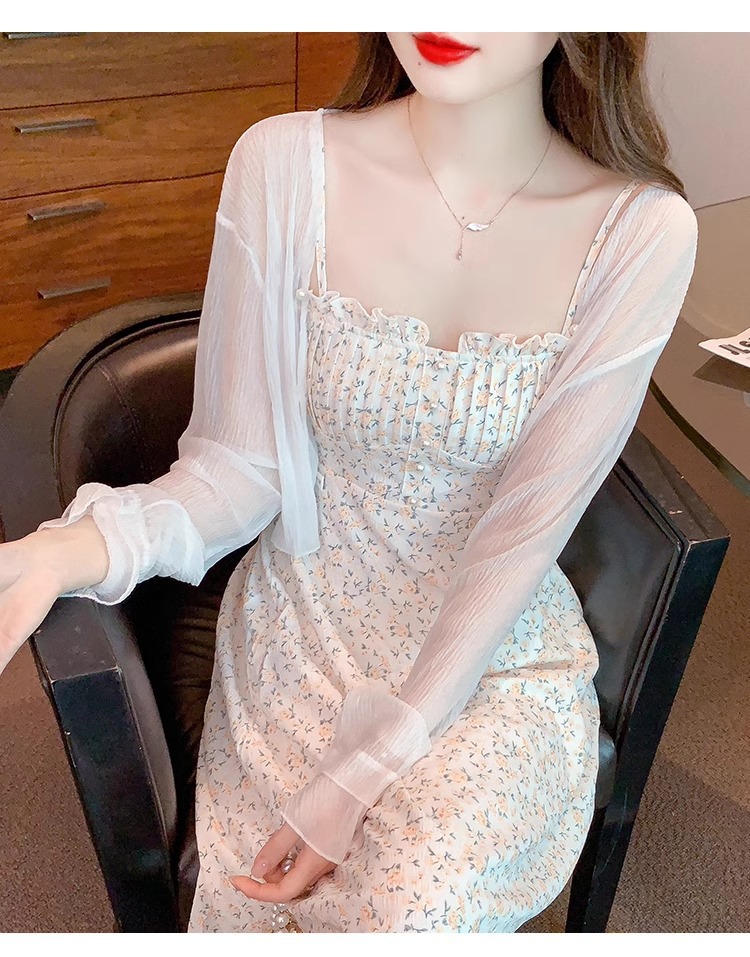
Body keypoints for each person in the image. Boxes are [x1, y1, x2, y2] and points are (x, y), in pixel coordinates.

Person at [0, 32, 698, 933]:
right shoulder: (284, 164)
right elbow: (237, 469)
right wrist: (67, 547)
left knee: (414, 903)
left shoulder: (641, 232)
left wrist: (368, 767)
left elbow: (524, 531)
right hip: (307, 630)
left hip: (491, 647)